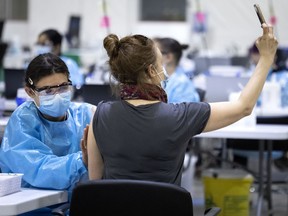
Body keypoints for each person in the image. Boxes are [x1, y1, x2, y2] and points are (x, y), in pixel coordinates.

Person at [87, 24, 277, 186]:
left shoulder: (100, 114)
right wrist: (267, 58)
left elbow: (96, 182)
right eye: (161, 64)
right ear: (152, 71)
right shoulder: (181, 116)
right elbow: (243, 106)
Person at [0, 53, 95, 214]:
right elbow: (39, 170)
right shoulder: (23, 121)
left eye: (63, 87)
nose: (57, 95)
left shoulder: (86, 114)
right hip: (35, 209)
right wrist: (83, 161)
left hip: (78, 206)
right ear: (30, 92)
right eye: (48, 91)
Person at [35, 29, 84, 98]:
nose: (40, 47)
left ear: (57, 46)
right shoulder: (35, 65)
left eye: (44, 44)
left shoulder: (69, 64)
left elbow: (76, 86)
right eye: (38, 44)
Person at [153, 37, 200, 103]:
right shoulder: (160, 78)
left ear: (168, 57)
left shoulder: (182, 84)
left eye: (155, 53)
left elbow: (180, 112)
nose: (151, 56)